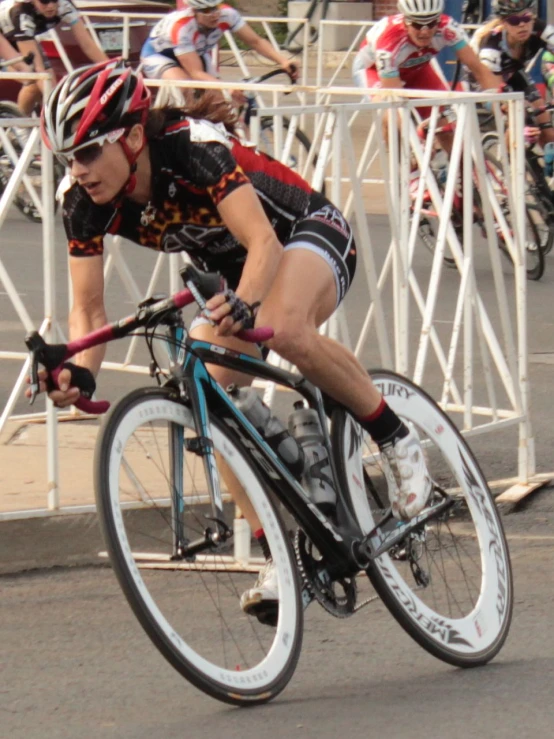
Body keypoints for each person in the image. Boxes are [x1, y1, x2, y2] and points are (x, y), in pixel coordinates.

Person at [37, 59, 432, 623]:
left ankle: (397, 440)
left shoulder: (191, 149)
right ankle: (279, 550)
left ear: (128, 137)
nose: (77, 170)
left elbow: (263, 243)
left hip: (303, 233)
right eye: (66, 158)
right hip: (236, 274)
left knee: (287, 325)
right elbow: (88, 308)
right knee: (207, 390)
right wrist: (79, 371)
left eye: (87, 151)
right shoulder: (83, 202)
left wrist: (245, 303)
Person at [352, 0, 501, 154]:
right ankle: (402, 172)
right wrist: (419, 142)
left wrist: (498, 102)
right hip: (374, 72)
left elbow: (476, 67)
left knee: (446, 123)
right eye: (417, 25)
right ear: (405, 21)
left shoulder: (447, 27)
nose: (424, 31)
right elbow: (395, 96)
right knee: (394, 118)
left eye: (431, 24)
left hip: (417, 70)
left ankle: (460, 172)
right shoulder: (389, 41)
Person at [140, 0, 298, 107]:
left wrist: (283, 61)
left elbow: (255, 41)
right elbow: (196, 73)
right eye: (207, 11)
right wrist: (226, 87)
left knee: (224, 104)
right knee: (186, 90)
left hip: (195, 53)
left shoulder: (227, 14)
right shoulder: (182, 27)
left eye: (216, 7)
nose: (214, 14)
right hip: (159, 55)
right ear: (194, 11)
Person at [470, 0, 554, 148]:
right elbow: (494, 88)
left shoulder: (539, 29)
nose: (522, 24)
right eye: (514, 20)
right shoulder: (492, 43)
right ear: (503, 23)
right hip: (485, 79)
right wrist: (517, 112)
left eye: (526, 17)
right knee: (516, 114)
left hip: (513, 73)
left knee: (544, 120)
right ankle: (509, 162)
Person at [0, 0, 107, 115]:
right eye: (44, 1)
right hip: (7, 36)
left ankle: (21, 126)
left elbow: (87, 45)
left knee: (41, 82)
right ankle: (19, 125)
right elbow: (39, 69)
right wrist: (58, 108)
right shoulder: (22, 14)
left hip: (13, 36)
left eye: (54, 0)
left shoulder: (65, 5)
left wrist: (111, 66)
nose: (50, 5)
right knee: (31, 74)